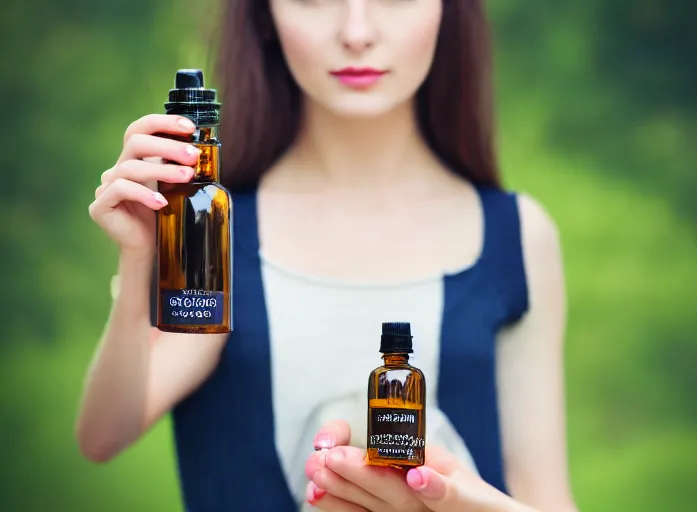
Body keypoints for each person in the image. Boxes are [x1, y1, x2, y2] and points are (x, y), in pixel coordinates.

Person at [77, 1, 578, 511]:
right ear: (264, 17)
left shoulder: (515, 236)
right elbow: (104, 434)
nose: (356, 32)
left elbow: (546, 498)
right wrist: (139, 256)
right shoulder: (214, 223)